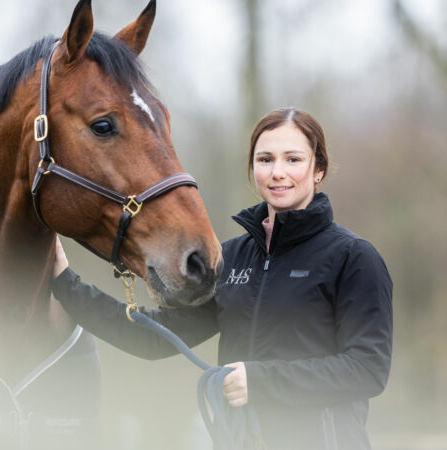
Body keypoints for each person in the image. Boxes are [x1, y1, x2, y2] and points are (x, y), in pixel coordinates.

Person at [50, 107, 393, 450]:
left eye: (292, 159)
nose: (277, 172)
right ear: (252, 168)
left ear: (318, 169)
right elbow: (155, 338)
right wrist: (65, 283)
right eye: (265, 159)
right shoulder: (232, 258)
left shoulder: (354, 257)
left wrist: (260, 382)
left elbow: (367, 368)